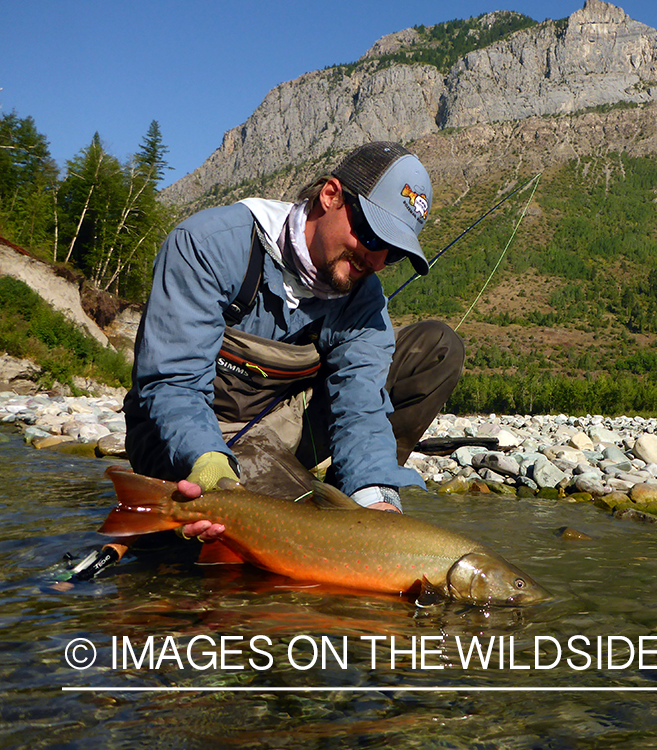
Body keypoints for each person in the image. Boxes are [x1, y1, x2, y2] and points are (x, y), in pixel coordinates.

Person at [68, 142, 463, 578]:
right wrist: (211, 469)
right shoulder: (209, 244)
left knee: (436, 346)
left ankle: (342, 498)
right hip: (182, 433)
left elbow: (361, 407)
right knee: (269, 560)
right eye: (370, 236)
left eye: (393, 252)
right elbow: (172, 385)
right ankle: (278, 504)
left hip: (277, 428)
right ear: (330, 195)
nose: (376, 259)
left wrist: (377, 507)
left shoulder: (364, 299)